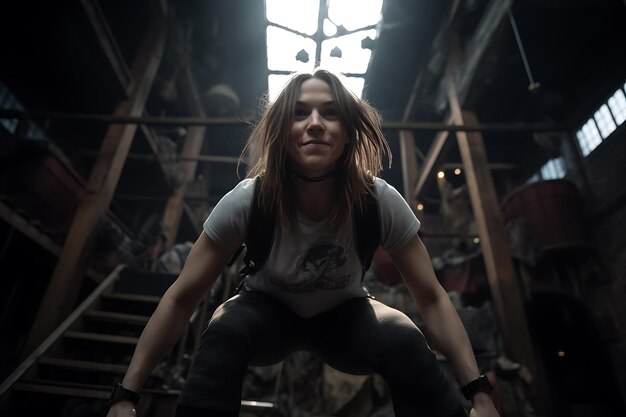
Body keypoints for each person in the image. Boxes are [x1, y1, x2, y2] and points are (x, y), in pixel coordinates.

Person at [106, 68, 500, 417]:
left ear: (347, 131)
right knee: (224, 328)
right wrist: (125, 396)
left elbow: (431, 297)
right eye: (299, 112)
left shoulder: (378, 201)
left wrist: (479, 393)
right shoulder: (248, 200)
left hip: (345, 316)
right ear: (282, 131)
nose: (314, 123)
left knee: (403, 335)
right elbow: (181, 298)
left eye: (330, 112)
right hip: (266, 314)